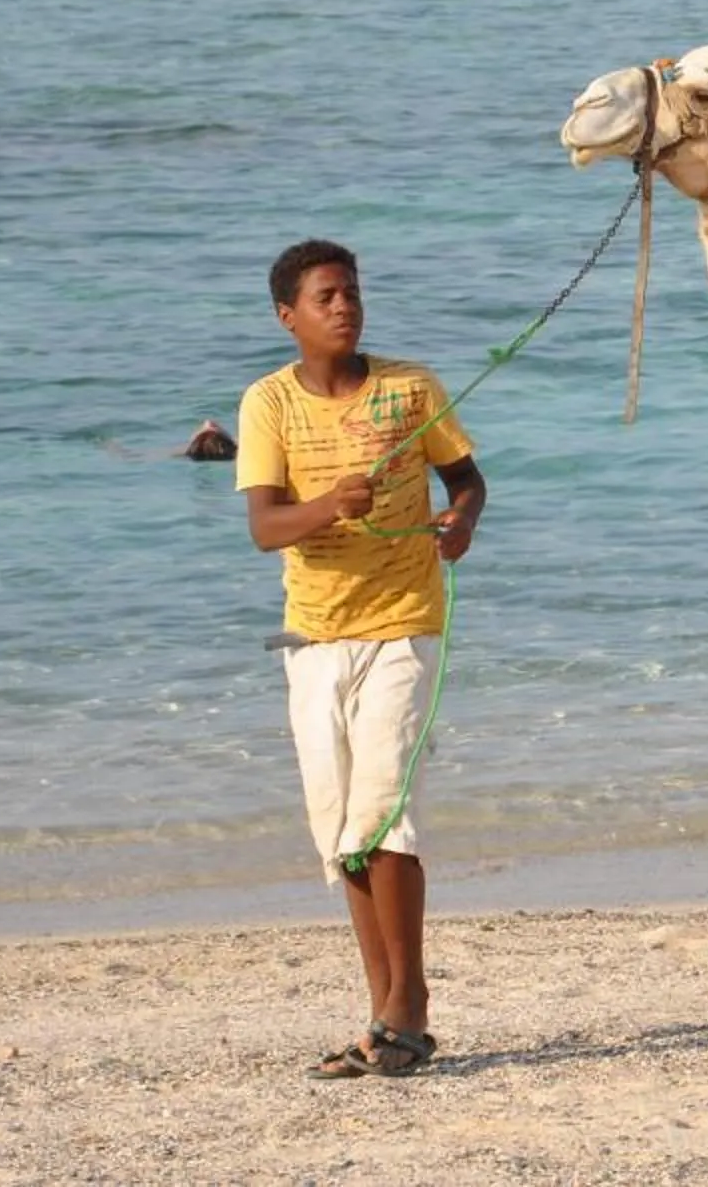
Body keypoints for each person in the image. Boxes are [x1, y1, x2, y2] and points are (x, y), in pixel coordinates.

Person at [235, 239, 486, 1080]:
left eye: (351, 293)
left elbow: (469, 479)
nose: (344, 307)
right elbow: (266, 527)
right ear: (288, 317)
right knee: (342, 834)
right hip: (312, 639)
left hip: (404, 626)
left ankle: (409, 1008)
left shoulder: (409, 388)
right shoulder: (267, 403)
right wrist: (329, 507)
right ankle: (385, 1015)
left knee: (385, 813)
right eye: (325, 297)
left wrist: (462, 523)